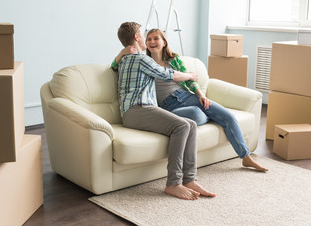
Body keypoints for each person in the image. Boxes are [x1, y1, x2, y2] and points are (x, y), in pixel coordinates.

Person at [113, 28, 268, 172]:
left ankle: (245, 157)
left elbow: (189, 80)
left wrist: (201, 94)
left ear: (164, 42)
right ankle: (210, 117)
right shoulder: (143, 61)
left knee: (228, 116)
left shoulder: (173, 60)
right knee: (196, 115)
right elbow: (115, 66)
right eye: (148, 39)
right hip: (169, 106)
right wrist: (122, 52)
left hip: (187, 96)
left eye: (156, 38)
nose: (152, 42)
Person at [113, 22, 215, 200]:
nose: (146, 39)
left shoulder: (123, 60)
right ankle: (173, 183)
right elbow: (168, 75)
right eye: (143, 35)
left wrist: (122, 52)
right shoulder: (142, 59)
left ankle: (189, 179)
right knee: (182, 127)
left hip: (138, 110)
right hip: (137, 109)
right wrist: (191, 76)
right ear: (137, 37)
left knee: (190, 124)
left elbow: (112, 67)